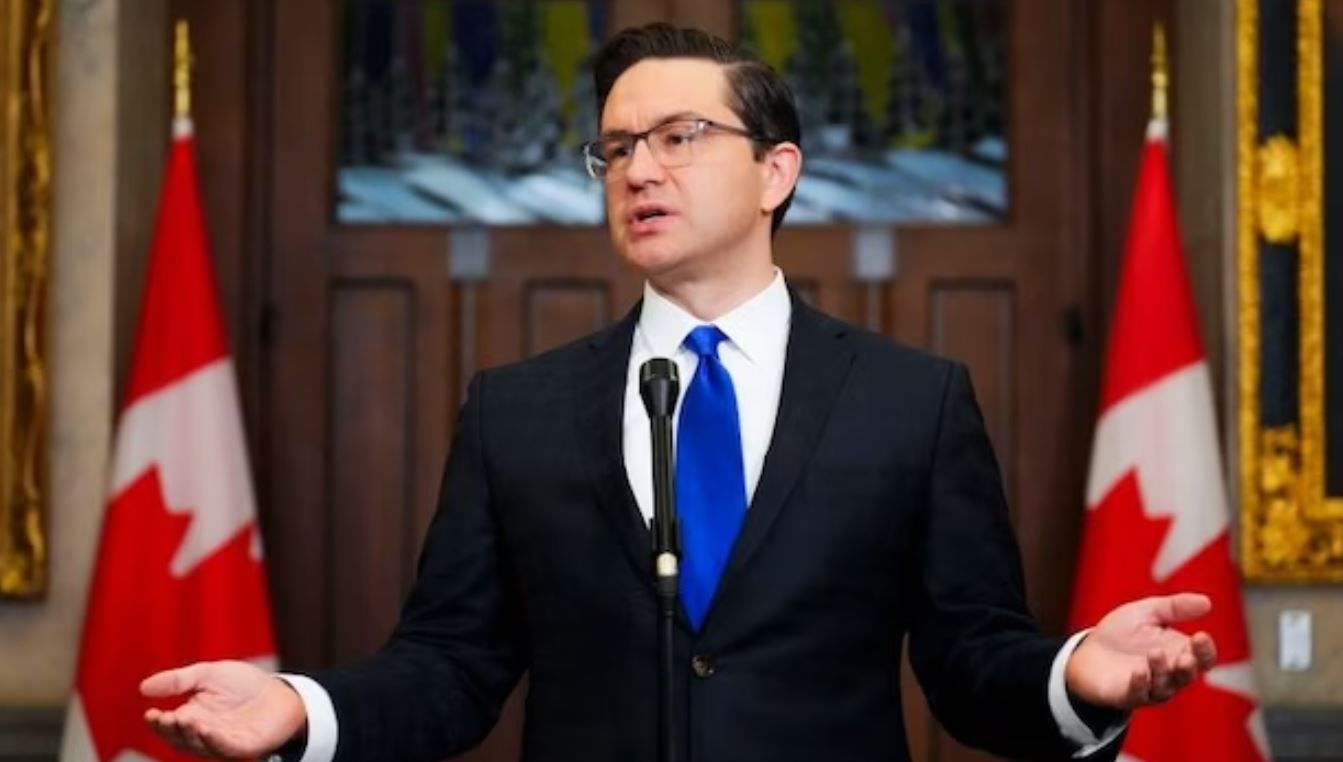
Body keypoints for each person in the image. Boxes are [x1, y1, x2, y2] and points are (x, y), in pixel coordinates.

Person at [141, 23, 1218, 762]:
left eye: (677, 138)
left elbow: (969, 658)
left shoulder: (912, 402)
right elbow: (451, 666)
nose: (637, 171)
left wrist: (1075, 674)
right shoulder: (517, 411)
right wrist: (301, 710)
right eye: (614, 149)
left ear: (776, 172)